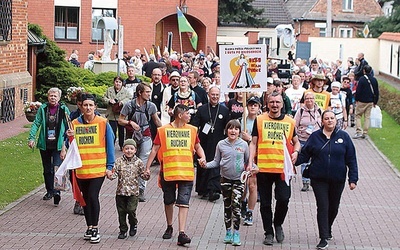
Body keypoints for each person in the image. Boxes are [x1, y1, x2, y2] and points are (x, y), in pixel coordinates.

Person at [144, 104, 206, 246]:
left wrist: (203, 158)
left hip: (186, 173)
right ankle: (169, 226)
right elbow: (154, 149)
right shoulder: (163, 130)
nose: (190, 116)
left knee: (184, 203)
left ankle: (181, 232)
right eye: (187, 113)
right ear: (180, 115)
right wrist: (147, 168)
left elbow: (197, 146)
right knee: (169, 201)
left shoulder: (192, 130)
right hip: (169, 172)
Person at [296, 110, 358, 250]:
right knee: (323, 206)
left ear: (336, 121)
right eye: (327, 118)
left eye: (332, 118)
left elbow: (351, 159)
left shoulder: (344, 137)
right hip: (319, 179)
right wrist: (293, 160)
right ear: (322, 121)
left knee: (333, 207)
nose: (330, 120)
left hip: (338, 179)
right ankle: (323, 237)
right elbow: (305, 155)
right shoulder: (315, 137)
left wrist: (353, 179)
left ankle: (328, 227)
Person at [248, 91, 301, 246]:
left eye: (277, 102)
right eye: (272, 102)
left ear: (282, 103)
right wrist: (251, 162)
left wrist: (296, 152)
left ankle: (277, 224)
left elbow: (296, 142)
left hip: (283, 169)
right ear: (267, 103)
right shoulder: (260, 120)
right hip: (264, 168)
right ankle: (268, 232)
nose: (274, 105)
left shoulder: (290, 122)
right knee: (265, 203)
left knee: (284, 199)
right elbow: (253, 143)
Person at [65, 93, 115, 244]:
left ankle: (95, 227)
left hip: (98, 169)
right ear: (80, 106)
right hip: (81, 169)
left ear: (95, 107)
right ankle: (89, 227)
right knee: (85, 199)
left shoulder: (103, 122)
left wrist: (110, 166)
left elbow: (110, 144)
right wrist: (69, 137)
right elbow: (70, 147)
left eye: (90, 105)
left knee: (93, 196)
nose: (88, 108)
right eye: (85, 105)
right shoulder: (74, 124)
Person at [201, 120, 257, 246]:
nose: (233, 131)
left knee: (236, 205)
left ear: (239, 131)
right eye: (230, 129)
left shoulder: (243, 145)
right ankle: (228, 232)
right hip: (225, 179)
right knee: (227, 206)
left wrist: (254, 168)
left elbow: (249, 161)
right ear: (226, 130)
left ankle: (236, 232)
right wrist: (205, 165)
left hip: (239, 180)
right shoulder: (221, 144)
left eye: (236, 129)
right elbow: (216, 161)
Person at [118, 83, 162, 202]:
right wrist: (129, 123)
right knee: (131, 161)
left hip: (146, 135)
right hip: (131, 136)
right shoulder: (129, 105)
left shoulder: (151, 106)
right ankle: (130, 188)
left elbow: (156, 121)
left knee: (143, 160)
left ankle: (141, 189)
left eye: (149, 92)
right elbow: (120, 120)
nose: (149, 94)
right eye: (147, 92)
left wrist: (165, 131)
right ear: (139, 93)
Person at [28, 87, 70, 206]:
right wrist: (32, 138)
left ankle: (57, 192)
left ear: (59, 97)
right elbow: (36, 123)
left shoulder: (63, 109)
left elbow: (68, 126)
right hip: (45, 144)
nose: (53, 98)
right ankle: (49, 191)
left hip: (58, 144)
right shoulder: (43, 108)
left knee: (57, 168)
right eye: (51, 95)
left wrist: (65, 145)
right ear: (48, 97)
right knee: (47, 170)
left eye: (55, 96)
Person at [192, 86, 230, 201]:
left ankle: (214, 190)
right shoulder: (202, 109)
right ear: (208, 95)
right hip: (203, 143)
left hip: (218, 143)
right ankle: (203, 189)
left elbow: (228, 127)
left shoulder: (224, 110)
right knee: (203, 165)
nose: (215, 97)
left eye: (217, 95)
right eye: (212, 94)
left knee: (215, 166)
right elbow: (194, 127)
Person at [109, 139, 149, 239]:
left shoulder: (138, 162)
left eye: (131, 149)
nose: (129, 151)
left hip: (133, 193)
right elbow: (114, 174)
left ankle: (133, 224)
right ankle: (123, 230)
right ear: (123, 149)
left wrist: (146, 175)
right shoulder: (119, 161)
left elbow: (143, 175)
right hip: (121, 192)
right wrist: (109, 175)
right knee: (121, 212)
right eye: (127, 148)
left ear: (135, 150)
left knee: (131, 210)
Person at [239, 95, 261, 226]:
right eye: (250, 105)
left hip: (256, 157)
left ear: (259, 107)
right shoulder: (241, 121)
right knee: (242, 186)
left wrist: (249, 138)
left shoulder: (261, 122)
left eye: (255, 105)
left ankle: (250, 212)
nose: (253, 107)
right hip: (241, 156)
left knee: (252, 185)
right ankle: (243, 202)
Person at [294, 92, 322, 191]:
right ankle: (305, 182)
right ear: (304, 100)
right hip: (303, 140)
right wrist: (296, 138)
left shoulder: (319, 110)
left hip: (316, 141)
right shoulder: (300, 111)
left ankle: (314, 180)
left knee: (316, 161)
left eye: (311, 98)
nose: (309, 100)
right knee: (304, 162)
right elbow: (295, 125)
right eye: (307, 98)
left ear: (314, 100)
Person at [103, 76, 132, 151]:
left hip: (121, 115)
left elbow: (129, 98)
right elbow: (104, 98)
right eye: (116, 82)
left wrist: (122, 102)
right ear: (114, 82)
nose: (118, 83)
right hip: (111, 114)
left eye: (119, 82)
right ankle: (111, 145)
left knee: (121, 131)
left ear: (122, 83)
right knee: (112, 130)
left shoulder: (125, 91)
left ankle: (122, 145)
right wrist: (109, 100)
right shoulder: (109, 90)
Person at [353, 65, 379, 139]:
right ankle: (365, 133)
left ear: (364, 70)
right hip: (370, 101)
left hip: (361, 101)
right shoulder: (374, 80)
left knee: (358, 116)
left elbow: (358, 90)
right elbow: (376, 91)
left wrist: (356, 99)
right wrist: (375, 101)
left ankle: (358, 132)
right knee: (367, 117)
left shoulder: (362, 79)